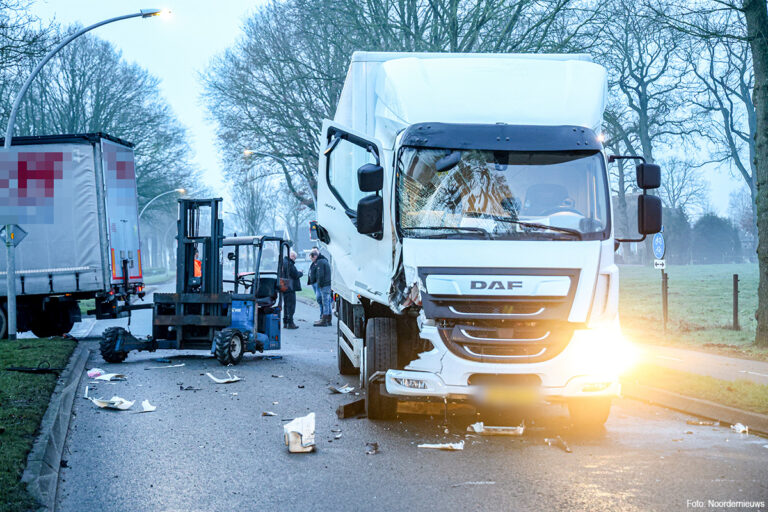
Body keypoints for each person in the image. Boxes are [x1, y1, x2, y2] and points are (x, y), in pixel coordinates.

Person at [307, 248, 332, 326]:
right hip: (327, 284)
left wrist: (320, 285)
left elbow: (320, 275)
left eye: (312, 258)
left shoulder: (320, 262)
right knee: (327, 302)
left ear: (314, 256)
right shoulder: (324, 260)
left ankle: (324, 320)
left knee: (325, 302)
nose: (312, 260)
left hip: (324, 285)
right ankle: (328, 319)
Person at [281, 250, 302, 329]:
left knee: (286, 305)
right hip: (290, 287)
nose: (294, 260)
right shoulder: (289, 264)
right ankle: (290, 323)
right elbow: (295, 274)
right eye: (295, 258)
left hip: (284, 285)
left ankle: (285, 322)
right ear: (292, 256)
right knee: (291, 306)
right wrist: (300, 273)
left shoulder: (282, 262)